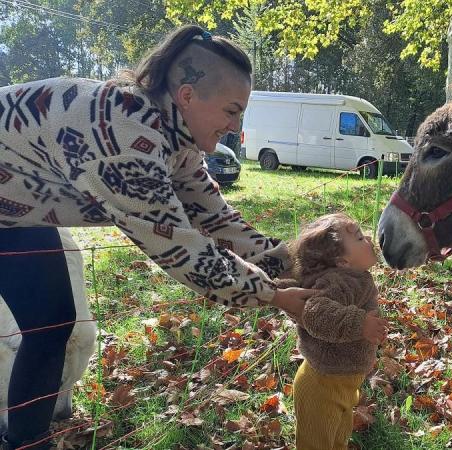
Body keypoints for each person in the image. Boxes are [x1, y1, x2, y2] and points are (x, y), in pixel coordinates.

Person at [0, 25, 313, 450]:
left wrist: (293, 261)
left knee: (52, 322)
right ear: (187, 96)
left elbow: (217, 217)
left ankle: (25, 440)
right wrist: (275, 296)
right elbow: (185, 252)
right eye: (232, 110)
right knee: (49, 321)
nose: (236, 127)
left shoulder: (174, 134)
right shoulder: (127, 137)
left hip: (14, 211)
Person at [280, 213, 388, 450]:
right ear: (342, 262)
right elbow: (316, 312)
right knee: (317, 443)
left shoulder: (353, 276)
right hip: (322, 387)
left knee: (338, 439)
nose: (368, 238)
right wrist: (360, 324)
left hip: (342, 380)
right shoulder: (338, 282)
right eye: (360, 238)